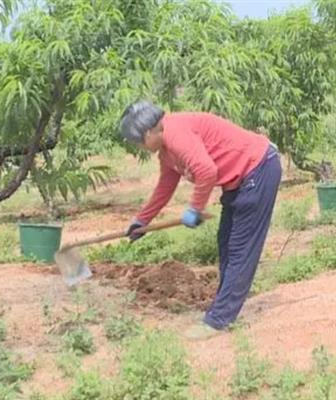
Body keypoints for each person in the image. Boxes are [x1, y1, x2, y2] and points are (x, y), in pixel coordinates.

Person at [119, 100, 282, 339]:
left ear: (148, 132)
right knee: (226, 244)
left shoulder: (175, 134)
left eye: (138, 142)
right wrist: (142, 221)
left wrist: (195, 209)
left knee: (239, 250)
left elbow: (206, 170)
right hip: (239, 181)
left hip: (258, 168)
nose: (139, 148)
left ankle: (218, 320)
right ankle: (223, 306)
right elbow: (166, 185)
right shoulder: (166, 149)